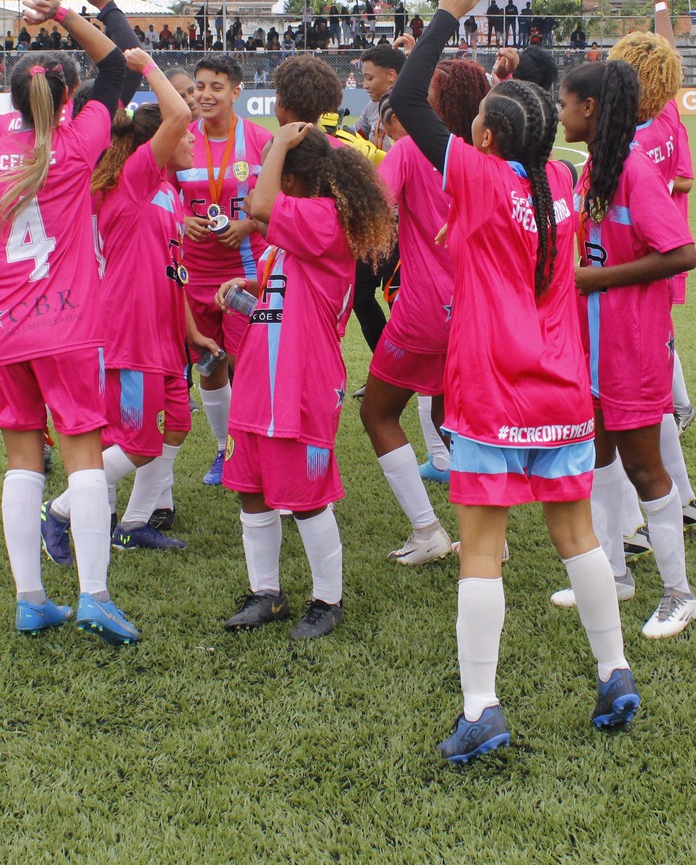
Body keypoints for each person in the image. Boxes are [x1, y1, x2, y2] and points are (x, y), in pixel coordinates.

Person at [394, 0, 639, 765]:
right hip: (562, 386)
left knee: (481, 547)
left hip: (492, 384)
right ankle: (614, 670)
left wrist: (446, 16)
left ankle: (481, 705)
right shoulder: (561, 178)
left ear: (490, 138)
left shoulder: (475, 172)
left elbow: (405, 103)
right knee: (578, 536)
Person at [0, 0, 143, 645]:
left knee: (20, 462)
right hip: (65, 327)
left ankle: (31, 598)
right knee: (83, 456)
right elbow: (123, 57)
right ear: (69, 97)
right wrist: (70, 12)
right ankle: (94, 594)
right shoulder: (77, 144)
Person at [215, 123, 396, 639]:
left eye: (278, 169)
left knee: (306, 496)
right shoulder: (295, 232)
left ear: (294, 180)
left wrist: (278, 149)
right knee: (251, 490)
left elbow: (260, 205)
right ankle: (266, 593)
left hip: (301, 384)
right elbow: (284, 289)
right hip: (257, 384)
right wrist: (246, 288)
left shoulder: (325, 217)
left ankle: (327, 600)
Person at [556, 59, 696, 639]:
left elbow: (683, 253)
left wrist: (600, 278)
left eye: (564, 103)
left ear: (589, 109)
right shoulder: (596, 168)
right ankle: (614, 572)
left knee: (645, 467)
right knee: (596, 457)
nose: (560, 112)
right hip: (592, 344)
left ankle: (678, 594)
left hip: (633, 346)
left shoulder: (636, 173)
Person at [361, 60, 491, 564]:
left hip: (424, 314)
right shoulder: (489, 153)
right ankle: (485, 538)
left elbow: (374, 205)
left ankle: (428, 531)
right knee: (449, 415)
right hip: (479, 313)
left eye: (432, 92)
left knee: (377, 412)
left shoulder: (412, 150)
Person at [91, 53, 208, 550]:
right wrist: (149, 66)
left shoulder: (168, 192)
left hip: (166, 334)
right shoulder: (133, 182)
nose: (191, 140)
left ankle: (133, 524)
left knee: (177, 423)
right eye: (185, 136)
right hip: (132, 328)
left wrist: (191, 331)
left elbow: (171, 268)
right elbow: (178, 115)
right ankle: (67, 508)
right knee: (133, 440)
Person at [609, 0, 696, 527]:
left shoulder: (634, 141)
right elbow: (667, 57)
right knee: (649, 395)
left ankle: (637, 524)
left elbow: (677, 182)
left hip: (636, 268)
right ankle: (683, 500)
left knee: (629, 403)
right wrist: (662, 6)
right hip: (650, 266)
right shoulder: (667, 114)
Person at [175, 53, 272, 486]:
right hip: (194, 273)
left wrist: (248, 223)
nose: (205, 95)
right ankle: (222, 449)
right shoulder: (180, 138)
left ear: (236, 92)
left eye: (216, 87)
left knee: (250, 365)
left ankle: (256, 449)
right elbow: (156, 195)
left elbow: (281, 207)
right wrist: (181, 221)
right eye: (199, 87)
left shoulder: (261, 141)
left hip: (245, 271)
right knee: (209, 363)